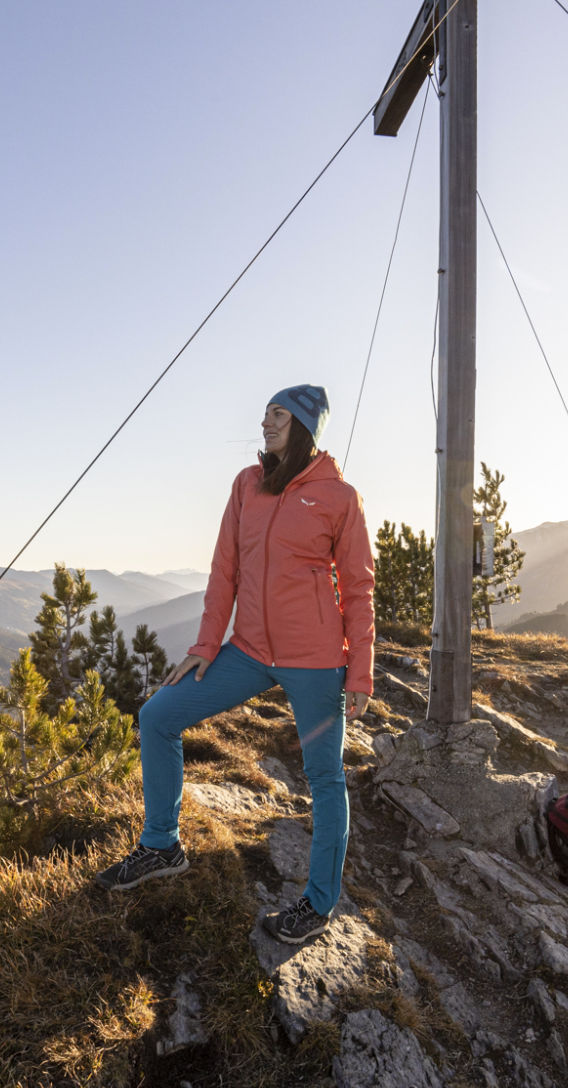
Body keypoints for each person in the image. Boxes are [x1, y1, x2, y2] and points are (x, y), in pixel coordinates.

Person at [93, 384, 375, 947]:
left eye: (277, 415)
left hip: (315, 661)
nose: (265, 422)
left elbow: (361, 588)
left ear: (302, 425)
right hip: (246, 650)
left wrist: (360, 670)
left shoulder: (339, 497)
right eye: (266, 413)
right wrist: (204, 644)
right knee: (158, 716)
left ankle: (318, 905)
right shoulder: (247, 485)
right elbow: (225, 570)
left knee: (323, 778)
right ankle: (161, 845)